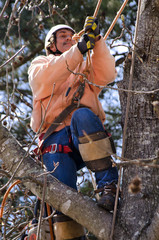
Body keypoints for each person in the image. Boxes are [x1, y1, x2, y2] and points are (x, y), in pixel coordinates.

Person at [28, 17, 118, 240]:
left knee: (83, 114)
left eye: (71, 35)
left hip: (84, 134)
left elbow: (107, 74)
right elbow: (46, 79)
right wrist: (78, 49)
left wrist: (96, 41)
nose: (69, 38)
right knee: (62, 196)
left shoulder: (84, 66)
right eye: (63, 37)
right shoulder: (40, 64)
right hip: (54, 138)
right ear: (52, 44)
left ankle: (109, 188)